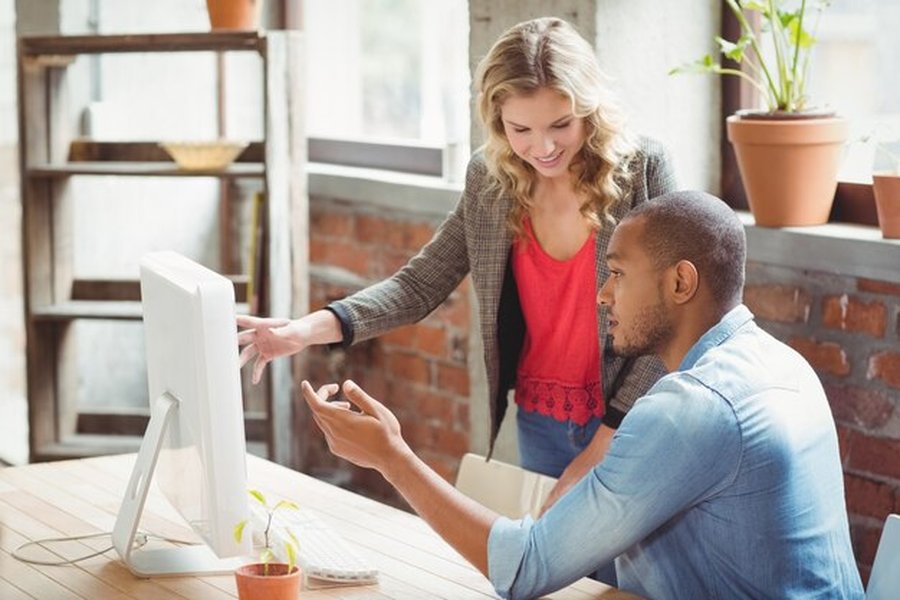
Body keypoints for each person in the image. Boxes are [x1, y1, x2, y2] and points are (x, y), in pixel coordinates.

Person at [299, 191, 865, 599]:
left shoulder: (690, 409)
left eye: (617, 273)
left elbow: (525, 568)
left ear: (680, 282)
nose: (602, 294)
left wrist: (392, 458)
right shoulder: (783, 363)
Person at [238, 16, 676, 515]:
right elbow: (419, 284)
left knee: (629, 584)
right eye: (521, 129)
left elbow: (673, 316)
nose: (544, 147)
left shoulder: (644, 169)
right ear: (496, 120)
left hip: (634, 417)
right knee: (563, 586)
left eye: (561, 124)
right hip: (542, 418)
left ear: (590, 110)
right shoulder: (491, 180)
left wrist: (605, 440)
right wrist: (303, 331)